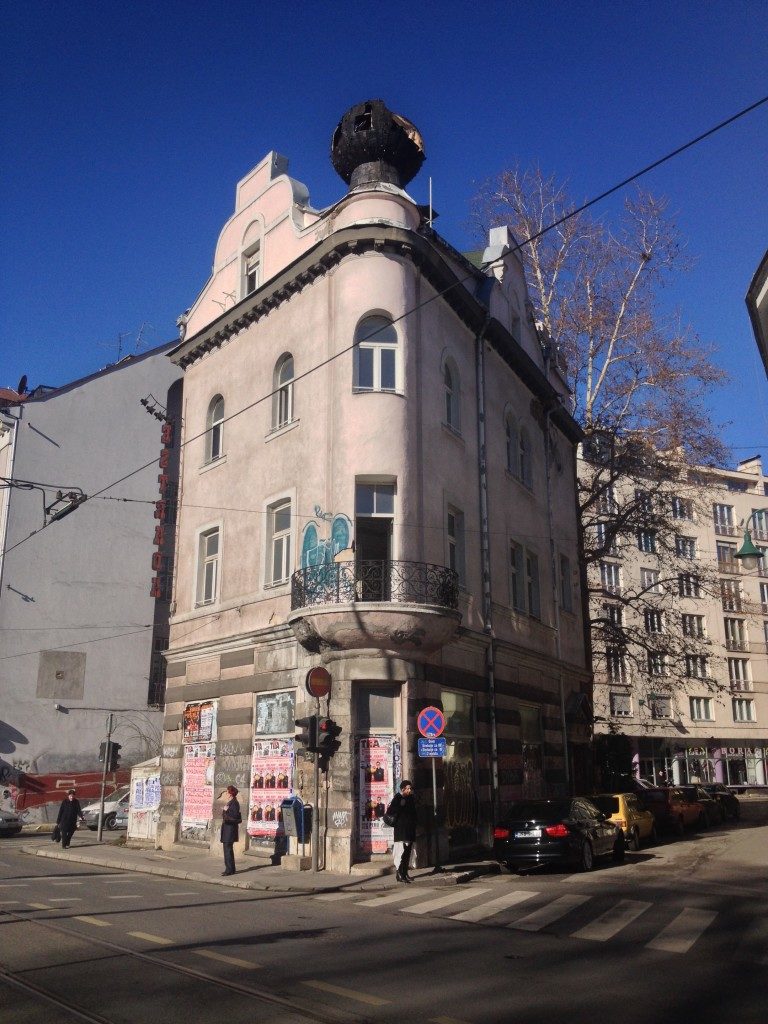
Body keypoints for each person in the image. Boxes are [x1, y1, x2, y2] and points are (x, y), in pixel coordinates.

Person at [386, 779, 417, 883]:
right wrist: (400, 804)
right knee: (400, 854)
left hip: (409, 830)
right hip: (401, 831)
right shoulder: (398, 798)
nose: (409, 790)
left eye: (410, 788)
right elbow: (391, 811)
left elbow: (414, 813)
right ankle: (399, 874)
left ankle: (405, 873)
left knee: (408, 853)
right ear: (403, 789)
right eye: (407, 788)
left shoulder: (411, 798)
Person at [220, 785, 242, 876]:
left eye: (227, 791)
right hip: (228, 830)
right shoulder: (231, 802)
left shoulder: (234, 803)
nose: (226, 793)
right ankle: (231, 869)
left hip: (230, 831)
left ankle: (229, 870)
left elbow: (233, 817)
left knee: (227, 850)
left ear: (230, 793)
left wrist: (225, 812)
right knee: (228, 850)